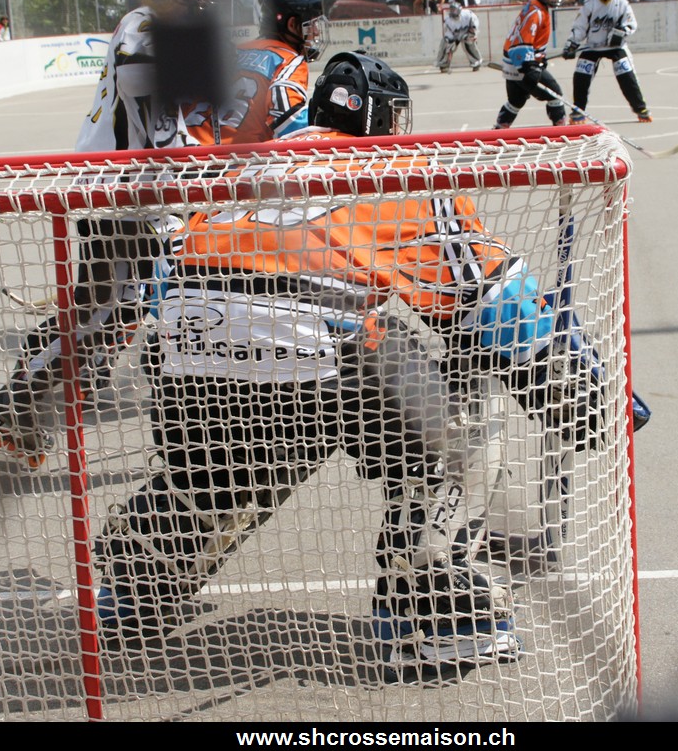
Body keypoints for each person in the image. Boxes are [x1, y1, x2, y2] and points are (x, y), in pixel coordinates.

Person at [93, 50, 645, 670]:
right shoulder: (395, 168)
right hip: (311, 353)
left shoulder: (245, 165)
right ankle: (436, 609)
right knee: (457, 430)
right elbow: (494, 304)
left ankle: (133, 589)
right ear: (381, 117)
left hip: (184, 355)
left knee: (214, 472)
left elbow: (166, 269)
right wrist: (579, 393)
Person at [0, 0, 223, 467]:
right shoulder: (144, 25)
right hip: (115, 196)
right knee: (102, 311)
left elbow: (167, 130)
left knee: (117, 308)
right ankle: (16, 402)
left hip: (139, 200)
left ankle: (34, 396)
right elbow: (139, 84)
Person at [184, 0, 326, 146]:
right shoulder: (289, 61)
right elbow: (288, 122)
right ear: (292, 25)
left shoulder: (234, 51)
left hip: (185, 147)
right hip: (234, 156)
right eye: (311, 25)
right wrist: (326, 124)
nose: (316, 32)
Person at [560, 0, 653, 124]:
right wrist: (572, 44)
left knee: (626, 74)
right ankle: (578, 111)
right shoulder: (590, 3)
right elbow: (580, 26)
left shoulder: (622, 2)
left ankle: (640, 108)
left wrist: (621, 32)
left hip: (615, 47)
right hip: (593, 46)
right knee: (581, 76)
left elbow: (631, 23)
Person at [493, 0, 568, 129]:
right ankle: (560, 131)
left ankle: (498, 131)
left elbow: (531, 42)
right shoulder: (537, 13)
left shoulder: (536, 7)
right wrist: (528, 66)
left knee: (515, 102)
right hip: (522, 65)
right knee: (555, 96)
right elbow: (521, 42)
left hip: (513, 65)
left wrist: (539, 57)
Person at [436, 0, 482, 73]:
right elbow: (448, 33)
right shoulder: (448, 20)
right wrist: (449, 40)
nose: (452, 12)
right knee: (446, 43)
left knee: (469, 42)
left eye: (454, 10)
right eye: (451, 10)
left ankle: (476, 62)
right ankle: (444, 64)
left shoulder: (468, 15)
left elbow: (474, 25)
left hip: (467, 32)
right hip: (455, 34)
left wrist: (473, 33)